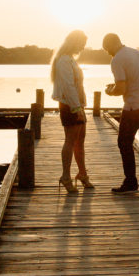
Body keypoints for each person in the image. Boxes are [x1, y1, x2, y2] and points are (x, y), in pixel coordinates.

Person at [102, 33, 139, 194]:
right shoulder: (137, 53)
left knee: (124, 142)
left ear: (112, 44)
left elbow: (122, 89)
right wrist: (116, 86)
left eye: (107, 49)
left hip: (134, 106)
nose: (108, 52)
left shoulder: (117, 59)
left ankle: (131, 182)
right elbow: (135, 80)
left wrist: (110, 91)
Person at [50, 30, 94, 193]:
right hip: (69, 106)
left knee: (80, 141)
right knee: (70, 140)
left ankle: (82, 173)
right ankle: (65, 176)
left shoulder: (71, 60)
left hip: (77, 105)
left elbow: (77, 86)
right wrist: (76, 108)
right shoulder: (63, 61)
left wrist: (81, 106)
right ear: (74, 42)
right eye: (82, 43)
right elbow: (68, 86)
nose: (83, 47)